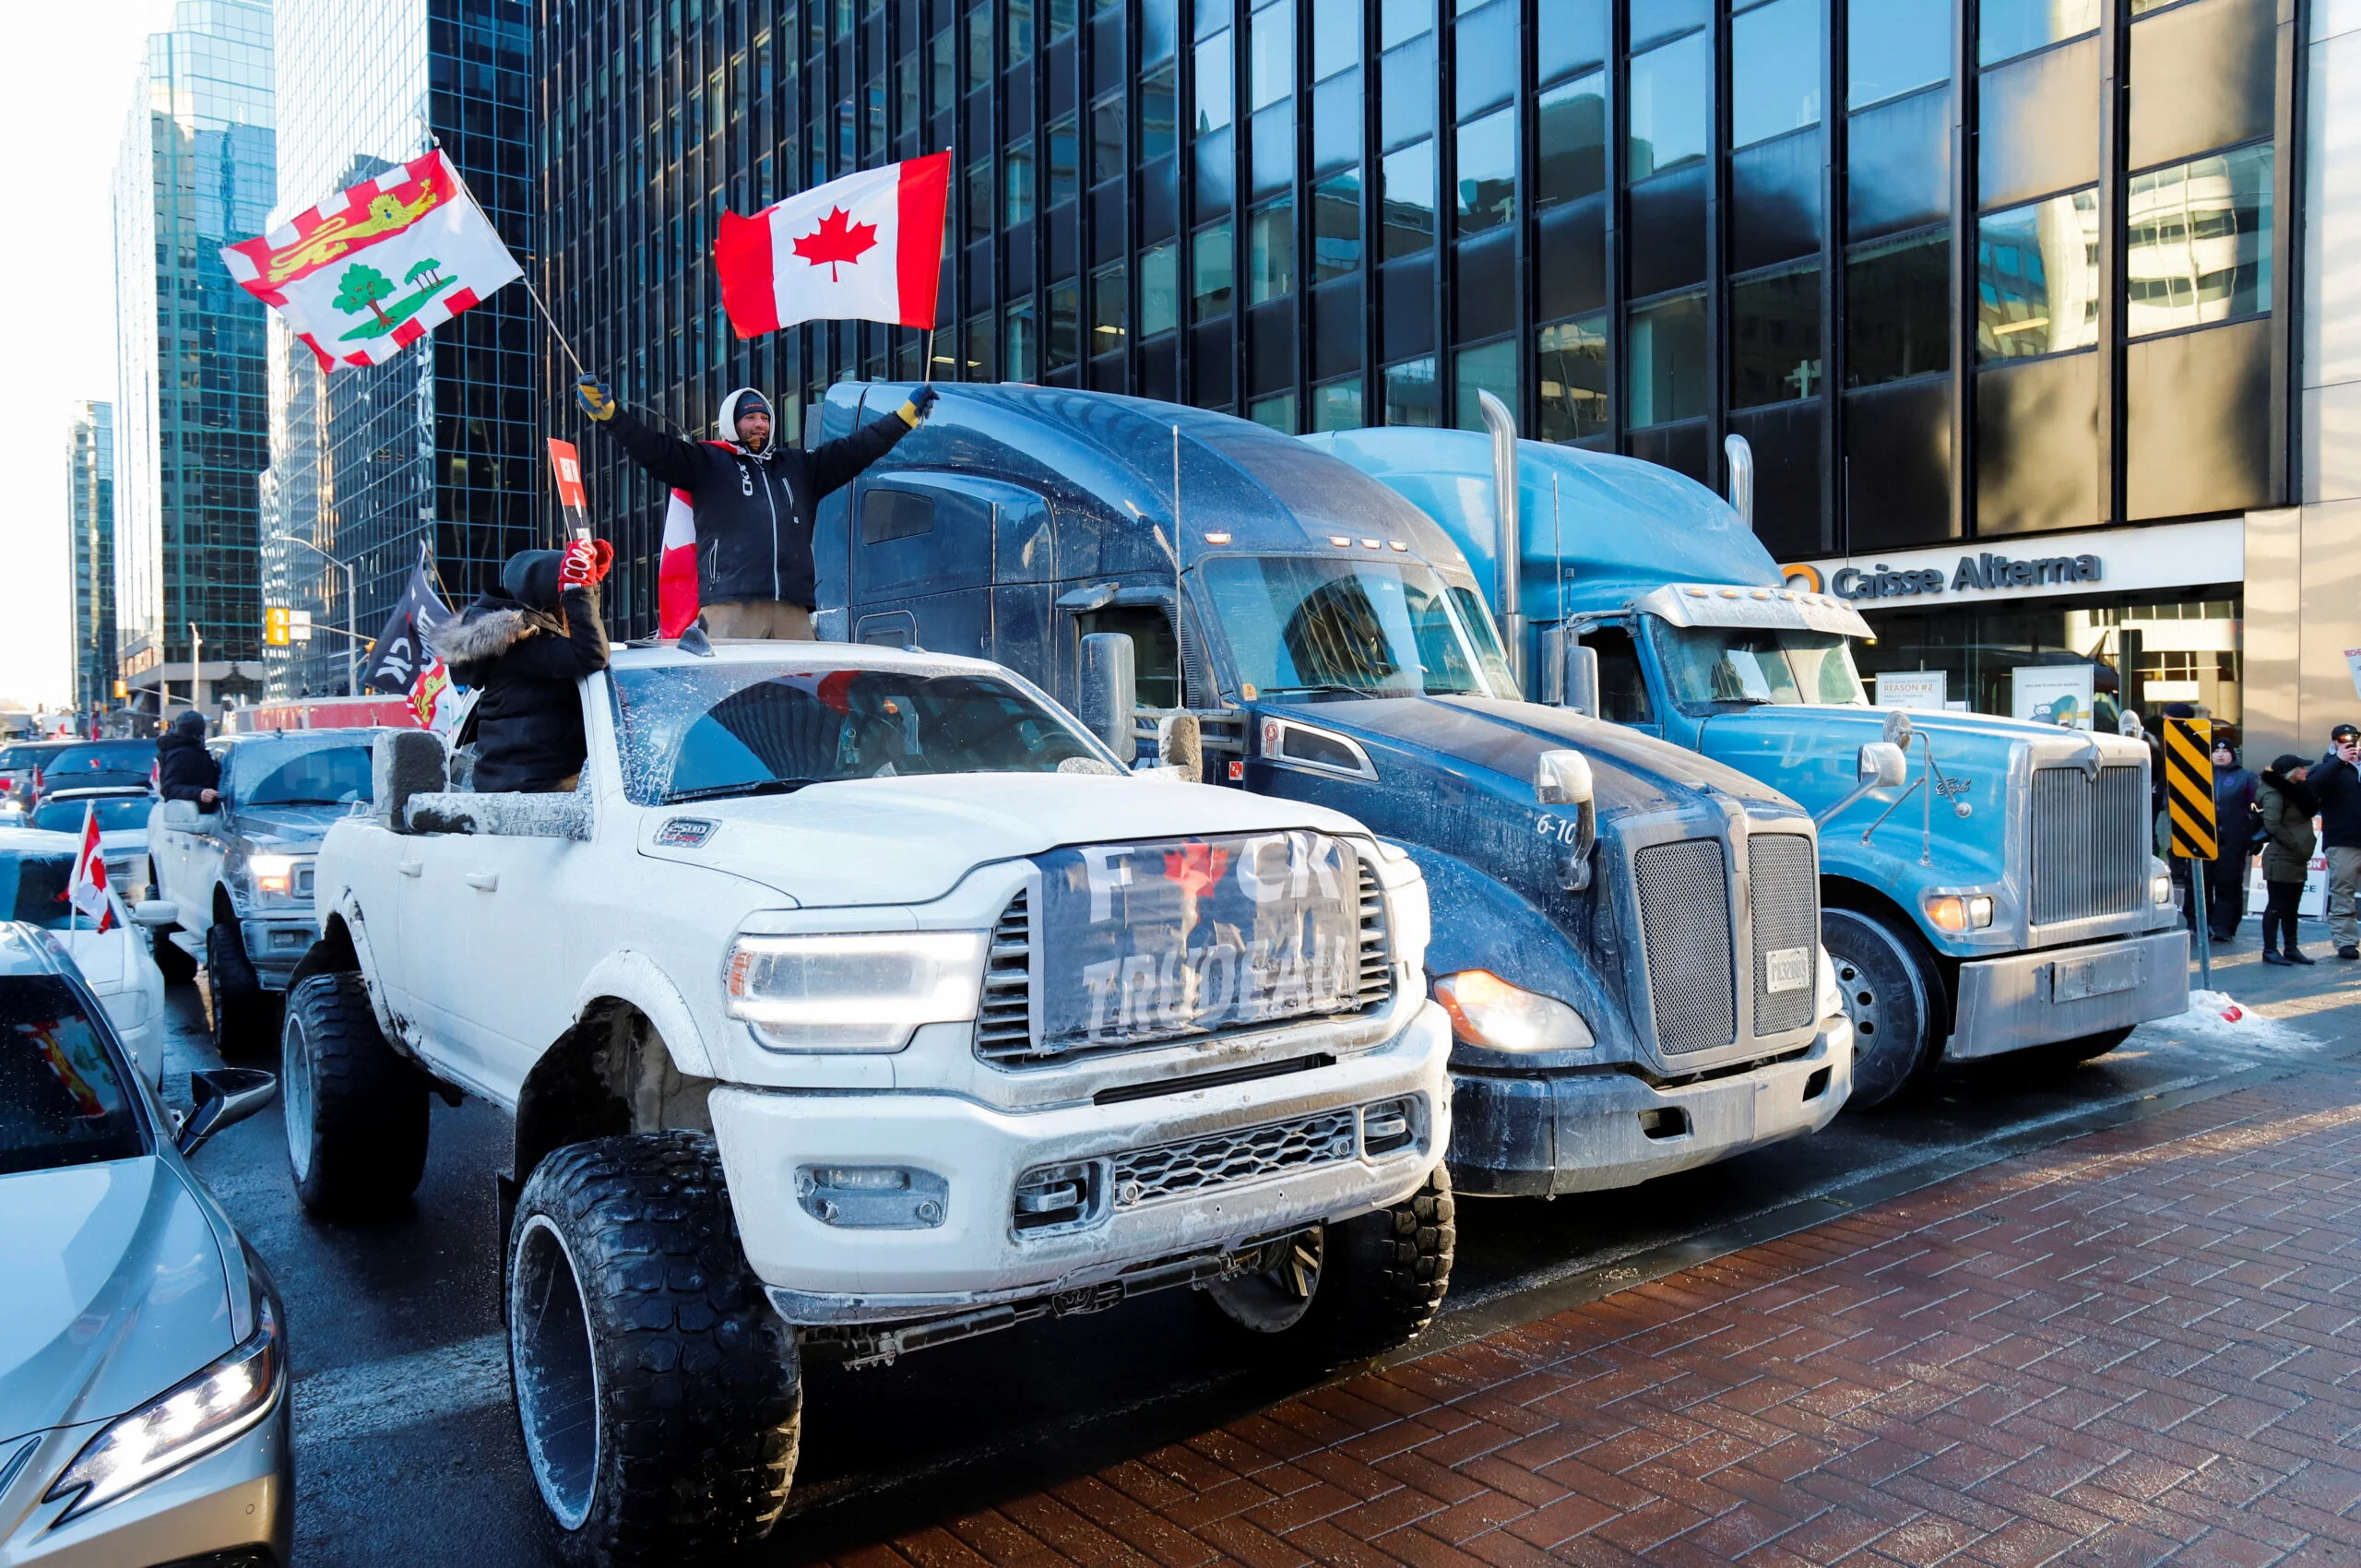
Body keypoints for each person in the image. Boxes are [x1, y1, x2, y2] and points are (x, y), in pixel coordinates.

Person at [575, 377, 937, 639]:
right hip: (731, 604)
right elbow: (651, 448)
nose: (759, 424)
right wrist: (610, 415)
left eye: (764, 418)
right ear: (732, 422)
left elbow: (859, 448)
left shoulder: (799, 467)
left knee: (803, 697)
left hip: (793, 608)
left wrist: (904, 416)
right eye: (749, 418)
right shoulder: (706, 461)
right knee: (727, 700)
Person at [430, 541, 612, 793]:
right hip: (529, 796)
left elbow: (584, 643)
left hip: (528, 786)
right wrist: (578, 591)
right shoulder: (518, 644)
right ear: (546, 595)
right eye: (561, 593)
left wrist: (588, 590)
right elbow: (592, 655)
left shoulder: (526, 642)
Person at [2257, 754, 2318, 966]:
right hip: (2281, 858)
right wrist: (2294, 844)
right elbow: (2272, 824)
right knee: (2277, 906)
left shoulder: (2298, 790)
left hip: (2296, 859)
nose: (2306, 771)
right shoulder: (2275, 793)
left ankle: (2291, 948)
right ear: (2292, 771)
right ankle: (2270, 950)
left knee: (2292, 908)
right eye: (2302, 768)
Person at [2313, 722, 2361, 958]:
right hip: (2342, 840)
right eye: (2342, 740)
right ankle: (2346, 942)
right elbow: (2312, 786)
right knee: (2343, 891)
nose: (2350, 744)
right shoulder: (2328, 766)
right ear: (2334, 743)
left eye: (2354, 739)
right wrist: (2339, 760)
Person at [2206, 739, 2260, 943]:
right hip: (2203, 839)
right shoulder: (2200, 775)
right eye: (2216, 751)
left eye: (2225, 751)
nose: (2220, 755)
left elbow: (2257, 808)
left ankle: (2224, 927)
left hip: (2233, 839)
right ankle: (2198, 923)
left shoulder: (2245, 777)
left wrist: (2254, 835)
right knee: (2199, 883)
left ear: (2233, 754)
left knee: (2228, 884)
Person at [155, 710, 220, 807]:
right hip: (194, 816)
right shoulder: (182, 754)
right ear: (201, 729)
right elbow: (170, 789)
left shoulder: (183, 749)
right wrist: (199, 793)